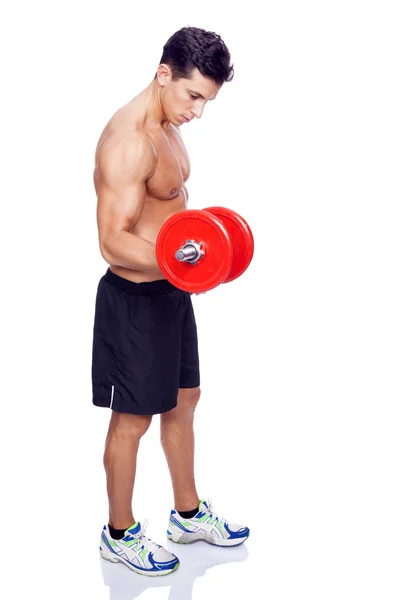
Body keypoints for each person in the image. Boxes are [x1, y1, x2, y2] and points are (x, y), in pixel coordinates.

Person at [91, 26, 250, 577]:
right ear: (164, 74)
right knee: (131, 419)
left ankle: (186, 514)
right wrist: (186, 263)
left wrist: (200, 254)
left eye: (206, 100)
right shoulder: (129, 140)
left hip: (171, 291)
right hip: (133, 300)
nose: (199, 112)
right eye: (193, 96)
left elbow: (171, 218)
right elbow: (113, 240)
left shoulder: (166, 124)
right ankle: (120, 534)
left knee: (185, 399)